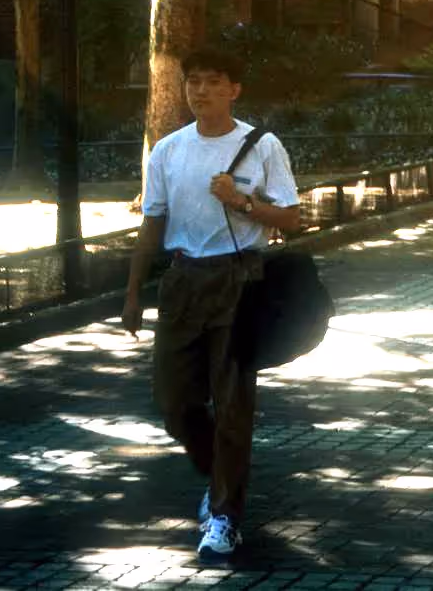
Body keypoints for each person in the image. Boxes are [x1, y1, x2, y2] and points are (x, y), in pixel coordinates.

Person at [122, 48, 302, 565]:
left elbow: (289, 218)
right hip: (182, 281)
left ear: (234, 90)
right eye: (193, 82)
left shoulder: (262, 146)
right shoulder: (168, 150)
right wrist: (134, 292)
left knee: (232, 405)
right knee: (174, 401)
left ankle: (224, 515)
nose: (200, 92)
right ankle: (218, 471)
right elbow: (152, 221)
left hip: (239, 280)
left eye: (213, 82)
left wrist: (242, 203)